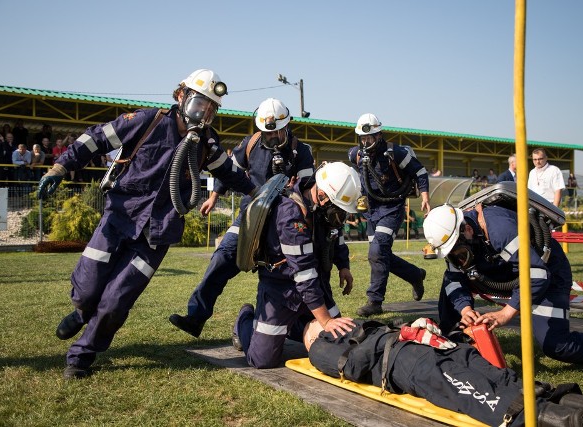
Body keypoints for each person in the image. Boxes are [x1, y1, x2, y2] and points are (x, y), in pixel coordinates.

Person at [37, 69, 256, 380]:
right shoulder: (146, 121)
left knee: (117, 300)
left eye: (210, 109)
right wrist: (60, 167)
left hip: (156, 235)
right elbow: (96, 138)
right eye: (198, 105)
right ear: (181, 96)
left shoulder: (206, 143)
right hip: (118, 219)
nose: (203, 114)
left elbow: (231, 174)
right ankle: (82, 311)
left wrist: (259, 193)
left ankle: (81, 356)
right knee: (88, 289)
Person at [169, 98, 315, 338]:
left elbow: (308, 189)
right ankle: (196, 317)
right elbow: (227, 171)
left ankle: (302, 321)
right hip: (250, 214)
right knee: (221, 258)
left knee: (287, 272)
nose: (272, 138)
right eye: (267, 133)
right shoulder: (250, 144)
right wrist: (214, 197)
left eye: (277, 133)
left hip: (285, 221)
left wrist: (295, 189)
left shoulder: (303, 151)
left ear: (287, 126)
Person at [304, 318, 583, 426]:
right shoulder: (320, 348)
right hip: (408, 363)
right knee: (481, 394)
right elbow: (354, 366)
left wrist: (404, 329)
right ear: (312, 334)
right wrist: (389, 336)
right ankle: (565, 420)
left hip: (433, 345)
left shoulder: (345, 327)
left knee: (502, 376)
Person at [423, 204, 583, 367]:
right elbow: (455, 279)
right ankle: (455, 345)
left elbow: (537, 275)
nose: (456, 255)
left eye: (458, 249)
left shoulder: (500, 230)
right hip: (504, 274)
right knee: (449, 285)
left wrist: (506, 314)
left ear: (467, 230)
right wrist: (465, 309)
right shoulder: (454, 240)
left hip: (546, 274)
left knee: (557, 345)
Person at [233, 162, 360, 369]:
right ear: (322, 196)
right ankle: (244, 320)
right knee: (262, 360)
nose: (341, 216)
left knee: (340, 339)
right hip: (281, 291)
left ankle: (292, 325)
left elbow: (336, 235)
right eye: (339, 209)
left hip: (316, 286)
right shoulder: (291, 215)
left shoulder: (322, 209)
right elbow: (303, 273)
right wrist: (326, 321)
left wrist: (343, 265)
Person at [348, 113, 429, 316]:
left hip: (392, 208)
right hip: (370, 211)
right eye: (363, 138)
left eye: (370, 137)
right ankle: (415, 275)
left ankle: (374, 301)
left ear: (379, 135)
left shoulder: (396, 153)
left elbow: (420, 172)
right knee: (381, 255)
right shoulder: (355, 155)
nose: (366, 142)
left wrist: (425, 197)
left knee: (377, 252)